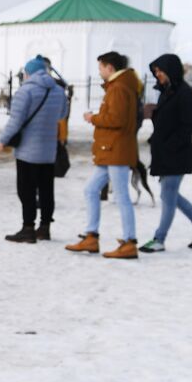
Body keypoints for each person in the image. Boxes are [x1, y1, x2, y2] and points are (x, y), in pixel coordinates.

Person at [66, 51, 141, 258]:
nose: (99, 72)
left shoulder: (118, 88)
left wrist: (94, 118)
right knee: (91, 190)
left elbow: (116, 119)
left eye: (100, 67)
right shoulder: (121, 86)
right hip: (111, 150)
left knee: (121, 196)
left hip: (115, 149)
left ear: (110, 67)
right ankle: (91, 236)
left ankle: (129, 241)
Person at [140, 54, 192, 252]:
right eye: (155, 71)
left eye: (160, 71)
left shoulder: (184, 92)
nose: (157, 75)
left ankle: (159, 238)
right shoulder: (166, 92)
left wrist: (169, 145)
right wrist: (155, 114)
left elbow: (189, 125)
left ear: (170, 70)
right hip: (165, 152)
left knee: (168, 195)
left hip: (176, 153)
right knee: (170, 196)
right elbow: (167, 121)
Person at [0, 56, 67, 242]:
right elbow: (62, 115)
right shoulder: (59, 91)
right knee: (46, 189)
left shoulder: (25, 92)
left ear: (28, 73)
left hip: (28, 150)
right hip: (48, 150)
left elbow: (15, 121)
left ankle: (28, 228)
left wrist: (3, 140)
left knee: (26, 190)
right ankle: (44, 228)